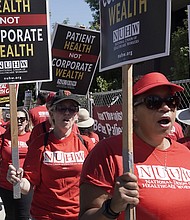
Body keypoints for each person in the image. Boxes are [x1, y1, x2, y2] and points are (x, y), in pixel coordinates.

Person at [78, 72, 190, 220]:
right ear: (134, 113)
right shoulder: (108, 152)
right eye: (153, 102)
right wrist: (112, 208)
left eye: (172, 101)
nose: (165, 108)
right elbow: (86, 216)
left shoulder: (185, 153)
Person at [7, 91, 94, 220]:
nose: (67, 113)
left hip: (77, 214)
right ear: (52, 113)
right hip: (45, 215)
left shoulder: (86, 144)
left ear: (76, 115)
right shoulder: (40, 143)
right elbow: (28, 185)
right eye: (61, 108)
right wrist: (18, 182)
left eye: (72, 109)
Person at [0, 107, 33, 220]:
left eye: (22, 119)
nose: (19, 121)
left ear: (27, 121)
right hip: (6, 184)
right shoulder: (4, 137)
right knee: (10, 216)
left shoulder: (33, 137)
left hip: (25, 184)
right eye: (16, 118)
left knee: (23, 216)